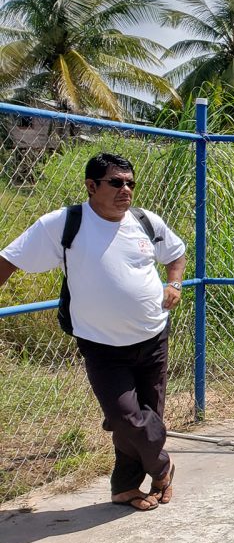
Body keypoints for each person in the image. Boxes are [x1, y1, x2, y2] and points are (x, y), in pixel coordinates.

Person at [0, 152, 186, 512]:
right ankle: (162, 467)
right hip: (101, 345)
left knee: (146, 417)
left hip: (152, 338)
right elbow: (8, 260)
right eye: (116, 182)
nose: (126, 190)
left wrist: (174, 284)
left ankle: (124, 487)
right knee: (126, 417)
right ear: (91, 186)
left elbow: (175, 253)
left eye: (130, 182)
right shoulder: (64, 223)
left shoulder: (145, 221)